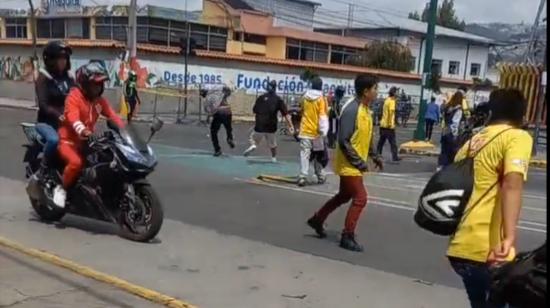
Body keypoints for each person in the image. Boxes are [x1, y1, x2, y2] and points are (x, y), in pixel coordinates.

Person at [447, 89, 533, 308]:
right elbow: (512, 184)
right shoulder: (517, 137)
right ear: (521, 114)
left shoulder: (473, 141)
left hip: (460, 247)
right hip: (488, 250)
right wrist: (510, 237)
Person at [306, 74, 384, 252]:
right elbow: (344, 140)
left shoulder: (366, 110)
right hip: (349, 164)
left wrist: (375, 156)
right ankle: (347, 236)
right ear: (366, 91)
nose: (377, 92)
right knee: (360, 198)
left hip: (355, 164)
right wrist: (359, 162)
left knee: (344, 196)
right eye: (375, 89)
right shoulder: (352, 110)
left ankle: (317, 219)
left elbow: (367, 136)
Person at [53, 62, 125, 208]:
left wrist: (124, 130)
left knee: (109, 160)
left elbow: (112, 116)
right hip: (68, 141)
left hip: (87, 142)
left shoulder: (99, 101)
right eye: (94, 84)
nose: (98, 88)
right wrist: (84, 131)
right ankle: (61, 189)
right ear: (85, 84)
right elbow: (73, 118)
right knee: (76, 163)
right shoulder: (74, 97)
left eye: (100, 84)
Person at [35, 40, 74, 169]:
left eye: (65, 58)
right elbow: (43, 105)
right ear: (51, 60)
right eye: (59, 58)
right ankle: (43, 167)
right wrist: (58, 115)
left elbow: (78, 94)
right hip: (47, 123)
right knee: (54, 140)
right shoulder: (43, 78)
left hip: (67, 122)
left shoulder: (68, 77)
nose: (63, 61)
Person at [243, 80, 294, 162]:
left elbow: (254, 110)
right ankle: (274, 158)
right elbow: (286, 114)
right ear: (275, 88)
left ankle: (253, 145)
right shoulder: (278, 100)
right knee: (273, 143)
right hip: (271, 126)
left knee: (252, 137)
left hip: (260, 125)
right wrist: (291, 125)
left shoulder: (261, 98)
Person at [297, 76, 329, 187]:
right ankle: (320, 175)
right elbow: (323, 116)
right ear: (320, 86)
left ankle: (302, 177)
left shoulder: (304, 97)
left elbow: (301, 109)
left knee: (304, 155)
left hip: (305, 131)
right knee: (318, 155)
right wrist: (323, 131)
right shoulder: (321, 99)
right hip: (317, 133)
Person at [438, 91, 464, 169]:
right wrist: (455, 135)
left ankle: (440, 166)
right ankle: (447, 168)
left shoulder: (448, 107)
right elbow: (455, 123)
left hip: (445, 130)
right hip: (451, 133)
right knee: (451, 152)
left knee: (444, 151)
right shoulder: (458, 109)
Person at [209, 86, 235, 157]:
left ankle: (217, 149)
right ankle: (230, 138)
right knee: (228, 128)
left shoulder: (212, 97)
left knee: (213, 131)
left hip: (219, 113)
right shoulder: (222, 95)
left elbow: (212, 109)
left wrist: (212, 114)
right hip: (227, 112)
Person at [376, 87, 401, 162]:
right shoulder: (392, 101)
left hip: (383, 124)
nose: (398, 93)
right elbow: (391, 113)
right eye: (397, 92)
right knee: (393, 143)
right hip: (388, 126)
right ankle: (395, 157)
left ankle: (378, 154)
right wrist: (391, 124)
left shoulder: (386, 100)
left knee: (381, 141)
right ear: (394, 93)